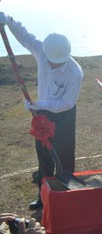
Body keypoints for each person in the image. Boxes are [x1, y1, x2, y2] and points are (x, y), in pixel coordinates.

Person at [0, 12, 83, 210]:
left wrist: (40, 104)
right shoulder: (42, 52)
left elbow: (66, 103)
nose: (54, 64)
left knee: (64, 155)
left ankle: (66, 193)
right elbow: (25, 37)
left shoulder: (75, 72)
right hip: (43, 115)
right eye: (52, 60)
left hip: (64, 116)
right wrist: (10, 20)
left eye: (59, 62)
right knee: (43, 155)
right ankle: (43, 196)